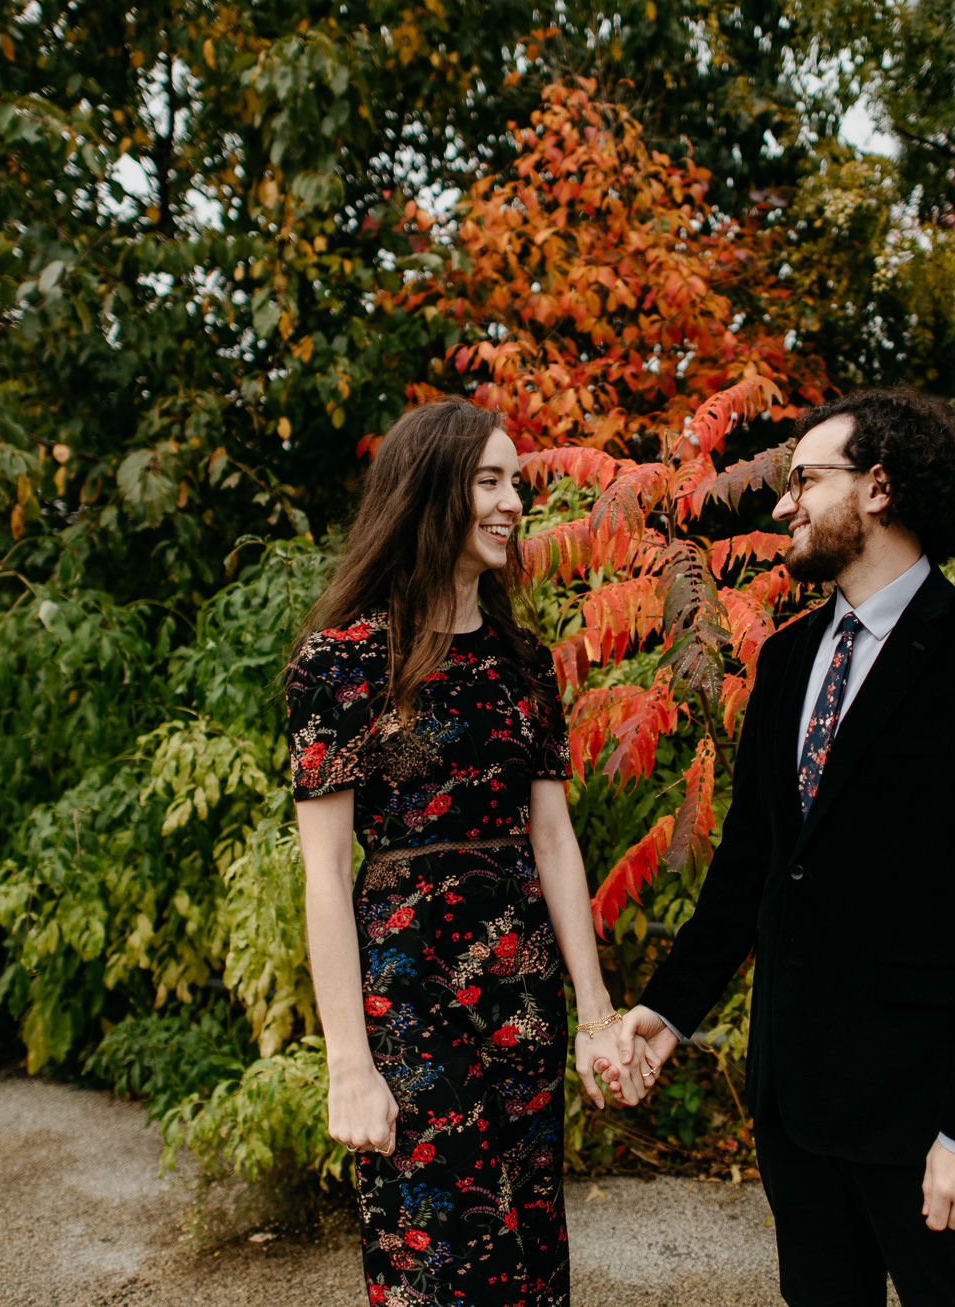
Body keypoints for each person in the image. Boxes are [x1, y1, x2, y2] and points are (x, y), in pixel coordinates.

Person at [615, 389, 955, 1307]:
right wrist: (666, 1012)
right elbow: (752, 866)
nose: (782, 505)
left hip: (930, 1111)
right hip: (797, 1104)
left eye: (804, 481)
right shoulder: (784, 662)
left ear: (879, 487)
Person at [287, 397, 639, 1307]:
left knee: (527, 1247)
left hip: (522, 1000)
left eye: (515, 481)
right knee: (436, 1261)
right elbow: (324, 873)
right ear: (429, 490)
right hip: (408, 1001)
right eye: (490, 480)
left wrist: (597, 1015)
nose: (514, 501)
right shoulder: (341, 662)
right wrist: (348, 1064)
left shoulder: (523, 659)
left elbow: (554, 841)